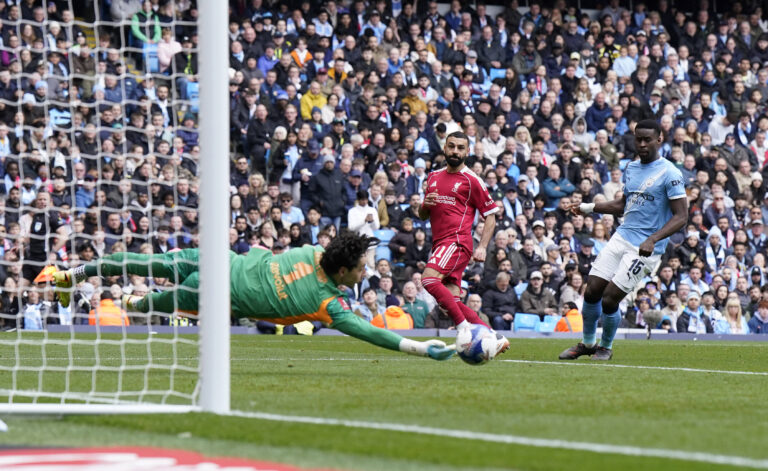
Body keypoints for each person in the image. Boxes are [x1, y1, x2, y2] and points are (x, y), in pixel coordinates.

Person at [53, 232, 455, 361]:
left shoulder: (314, 252)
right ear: (344, 270)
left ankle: (75, 274)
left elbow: (274, 256)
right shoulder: (328, 306)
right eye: (361, 266)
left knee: (148, 264)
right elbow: (372, 333)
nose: (365, 271)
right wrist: (421, 349)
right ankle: (118, 297)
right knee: (155, 294)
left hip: (221, 260)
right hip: (218, 290)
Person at [559, 120, 688, 360]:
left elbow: (682, 216)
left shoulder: (670, 173)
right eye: (638, 139)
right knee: (591, 291)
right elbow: (623, 205)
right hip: (622, 236)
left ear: (659, 139)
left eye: (646, 139)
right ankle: (587, 344)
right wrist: (589, 207)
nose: (641, 144)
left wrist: (653, 239)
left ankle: (605, 347)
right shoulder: (632, 168)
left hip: (646, 248)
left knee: (609, 299)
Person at [418, 131, 509, 356]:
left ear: (467, 152)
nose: (455, 151)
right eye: (452, 146)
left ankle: (464, 329)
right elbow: (423, 215)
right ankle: (494, 337)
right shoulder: (433, 176)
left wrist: (482, 246)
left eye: (460, 148)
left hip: (457, 241)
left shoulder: (472, 180)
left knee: (429, 280)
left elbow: (490, 214)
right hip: (440, 244)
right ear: (445, 148)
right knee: (451, 301)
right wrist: (424, 204)